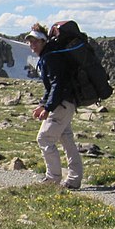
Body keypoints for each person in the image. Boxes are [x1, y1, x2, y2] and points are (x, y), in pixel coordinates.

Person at [27, 22, 83, 189]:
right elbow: (53, 86)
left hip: (62, 104)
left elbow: (57, 85)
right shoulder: (51, 55)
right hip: (67, 102)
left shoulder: (50, 57)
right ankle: (74, 179)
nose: (32, 45)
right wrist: (43, 104)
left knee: (44, 138)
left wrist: (48, 108)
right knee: (66, 138)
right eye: (30, 41)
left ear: (44, 41)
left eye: (36, 41)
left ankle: (53, 178)